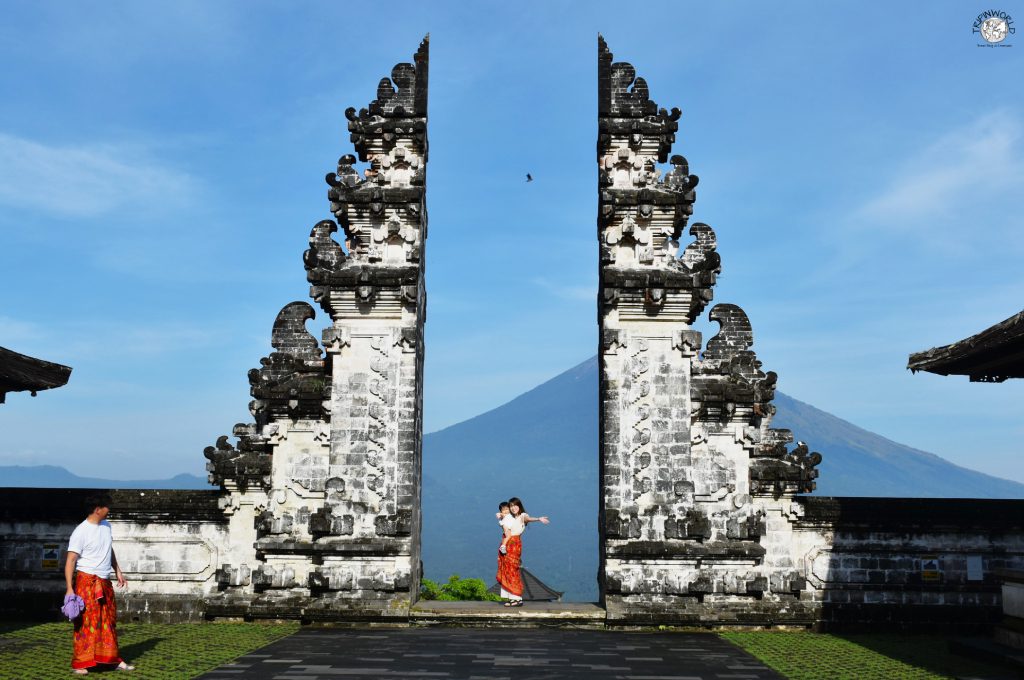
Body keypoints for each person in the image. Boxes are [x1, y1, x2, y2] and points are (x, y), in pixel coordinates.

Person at [65, 493, 135, 674]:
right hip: (87, 582)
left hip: (104, 581)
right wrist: (70, 588)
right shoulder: (80, 531)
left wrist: (117, 570)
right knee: (86, 622)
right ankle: (82, 662)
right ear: (97, 509)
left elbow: (108, 549)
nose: (109, 510)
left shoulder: (106, 526)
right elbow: (71, 560)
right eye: (106, 507)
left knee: (108, 620)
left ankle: (112, 659)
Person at [496, 496, 549, 607]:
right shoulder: (509, 517)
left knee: (512, 570)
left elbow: (528, 519)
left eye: (515, 505)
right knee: (507, 570)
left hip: (514, 545)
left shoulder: (522, 516)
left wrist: (538, 519)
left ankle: (517, 598)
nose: (513, 508)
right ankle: (512, 598)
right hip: (506, 544)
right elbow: (503, 516)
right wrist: (500, 515)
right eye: (511, 506)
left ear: (519, 506)